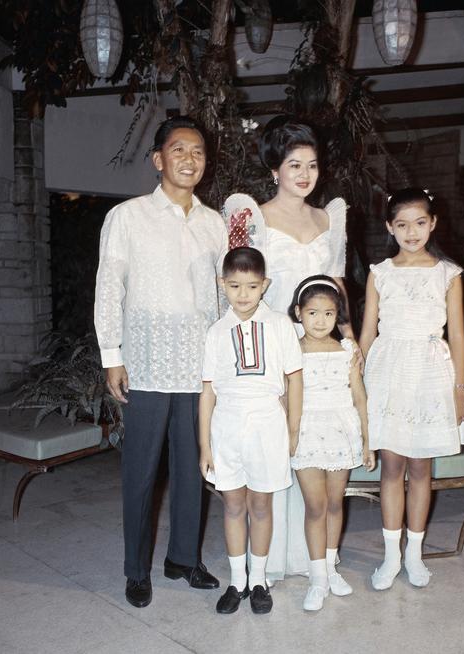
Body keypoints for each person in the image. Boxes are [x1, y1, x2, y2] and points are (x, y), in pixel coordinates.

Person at [94, 116, 225, 608]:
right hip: (146, 361)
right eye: (179, 150)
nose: (189, 159)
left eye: (198, 151)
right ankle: (136, 570)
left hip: (200, 364)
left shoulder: (214, 224)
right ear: (158, 159)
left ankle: (183, 559)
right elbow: (110, 287)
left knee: (193, 466)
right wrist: (113, 355)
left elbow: (223, 295)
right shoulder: (127, 217)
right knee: (142, 470)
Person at [222, 117, 357, 582]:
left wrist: (349, 339)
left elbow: (336, 287)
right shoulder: (251, 217)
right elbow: (237, 285)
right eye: (293, 164)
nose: (304, 174)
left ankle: (317, 560)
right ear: (274, 168)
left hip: (318, 351)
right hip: (270, 350)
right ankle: (269, 561)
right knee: (276, 447)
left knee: (314, 442)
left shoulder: (328, 219)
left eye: (312, 165)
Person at [359, 187, 464, 591]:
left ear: (433, 224)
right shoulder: (380, 273)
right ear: (390, 227)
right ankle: (390, 557)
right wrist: (354, 384)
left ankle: (414, 555)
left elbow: (457, 336)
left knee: (421, 466)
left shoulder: (448, 273)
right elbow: (368, 334)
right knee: (391, 465)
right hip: (388, 373)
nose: (412, 232)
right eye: (402, 224)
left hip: (430, 375)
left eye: (420, 223)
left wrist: (459, 388)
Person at [199, 247, 303, 615]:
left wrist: (292, 429)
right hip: (227, 425)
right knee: (232, 505)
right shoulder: (216, 332)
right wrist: (204, 444)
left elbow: (294, 378)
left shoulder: (280, 325)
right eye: (235, 286)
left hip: (267, 424)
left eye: (252, 286)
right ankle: (236, 581)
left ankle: (258, 580)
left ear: (265, 285)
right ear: (221, 284)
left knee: (261, 505)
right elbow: (208, 390)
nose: (243, 294)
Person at [289, 275, 375, 611]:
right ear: (299, 313)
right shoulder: (292, 350)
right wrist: (289, 434)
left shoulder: (347, 349)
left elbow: (360, 396)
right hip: (307, 431)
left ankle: (330, 566)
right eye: (312, 313)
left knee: (336, 503)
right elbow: (285, 397)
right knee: (315, 506)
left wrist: (368, 440)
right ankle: (317, 578)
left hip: (342, 430)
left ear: (337, 314)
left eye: (328, 313)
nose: (320, 320)